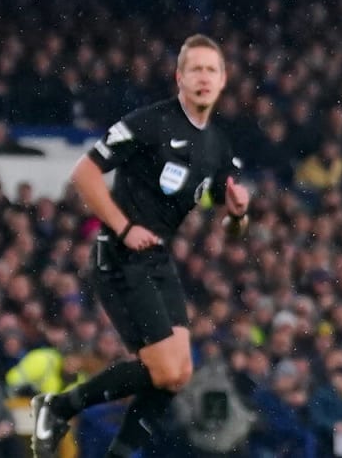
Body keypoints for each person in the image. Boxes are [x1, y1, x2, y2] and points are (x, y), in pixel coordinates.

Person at [31, 35, 251, 458]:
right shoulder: (150, 122)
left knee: (179, 375)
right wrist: (124, 226)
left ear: (223, 81)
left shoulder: (218, 146)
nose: (203, 77)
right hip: (118, 253)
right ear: (179, 78)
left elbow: (234, 233)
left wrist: (239, 215)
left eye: (211, 70)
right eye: (196, 70)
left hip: (156, 258)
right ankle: (57, 407)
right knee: (165, 369)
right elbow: (85, 173)